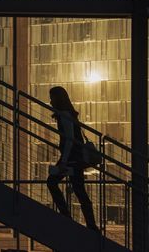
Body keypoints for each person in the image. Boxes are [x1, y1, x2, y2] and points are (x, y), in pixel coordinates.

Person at [46, 86, 99, 231]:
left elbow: (69, 140)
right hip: (73, 158)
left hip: (71, 158)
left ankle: (67, 216)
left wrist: (63, 161)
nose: (50, 102)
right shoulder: (68, 114)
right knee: (78, 189)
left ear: (58, 99)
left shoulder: (64, 114)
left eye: (52, 98)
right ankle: (91, 225)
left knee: (52, 182)